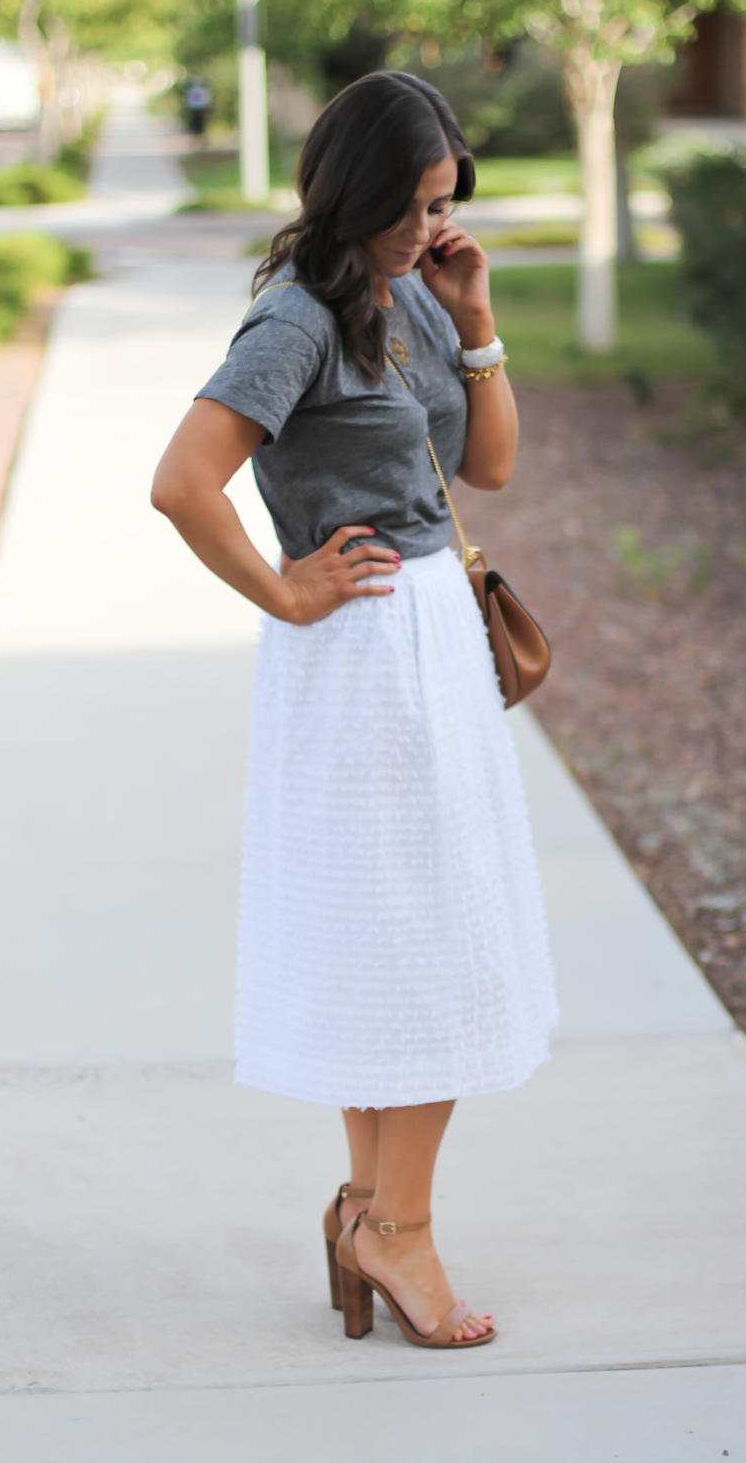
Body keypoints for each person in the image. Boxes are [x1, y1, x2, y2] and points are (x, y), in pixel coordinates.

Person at [152, 70, 557, 1350]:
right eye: (413, 204)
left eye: (443, 203)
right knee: (426, 948)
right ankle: (398, 1233)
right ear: (355, 189)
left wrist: (472, 313)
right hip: (367, 661)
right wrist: (282, 588)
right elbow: (182, 482)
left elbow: (487, 467)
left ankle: (370, 1216)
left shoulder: (413, 293)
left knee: (403, 946)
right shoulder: (297, 320)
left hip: (429, 642)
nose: (429, 225)